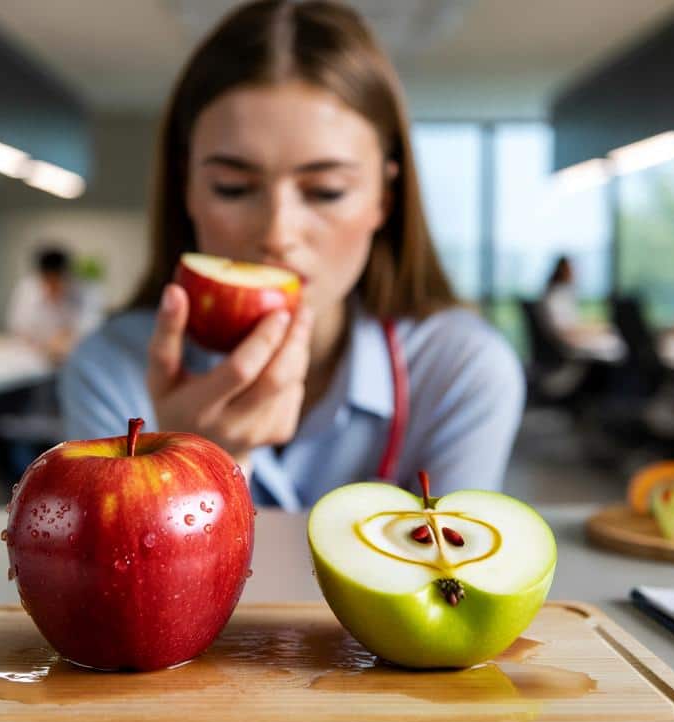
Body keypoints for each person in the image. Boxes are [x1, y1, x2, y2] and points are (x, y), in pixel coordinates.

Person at [59, 0, 525, 509]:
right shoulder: (111, 369)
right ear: (186, 189)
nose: (278, 234)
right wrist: (203, 468)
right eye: (233, 188)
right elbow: (123, 587)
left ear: (384, 200)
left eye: (325, 191)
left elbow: (452, 578)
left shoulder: (462, 371)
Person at [6, 245, 97, 363]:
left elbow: (88, 327)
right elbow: (17, 328)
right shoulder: (27, 289)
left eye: (57, 281)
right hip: (34, 355)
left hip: (69, 357)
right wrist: (39, 344)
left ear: (67, 277)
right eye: (48, 281)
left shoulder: (84, 292)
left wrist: (67, 337)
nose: (52, 287)